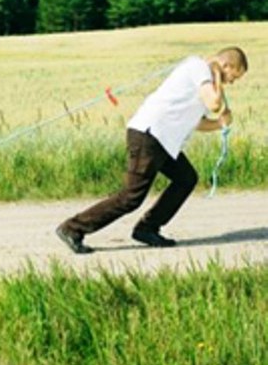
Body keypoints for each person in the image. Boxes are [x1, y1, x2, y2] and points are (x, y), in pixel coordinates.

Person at [56, 47, 248, 254]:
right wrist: (218, 78)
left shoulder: (204, 81)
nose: (231, 82)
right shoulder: (199, 68)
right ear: (226, 65)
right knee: (131, 197)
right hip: (149, 136)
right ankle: (72, 228)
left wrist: (220, 123)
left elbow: (197, 123)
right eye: (232, 76)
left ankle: (147, 228)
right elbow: (214, 102)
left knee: (186, 178)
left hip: (164, 142)